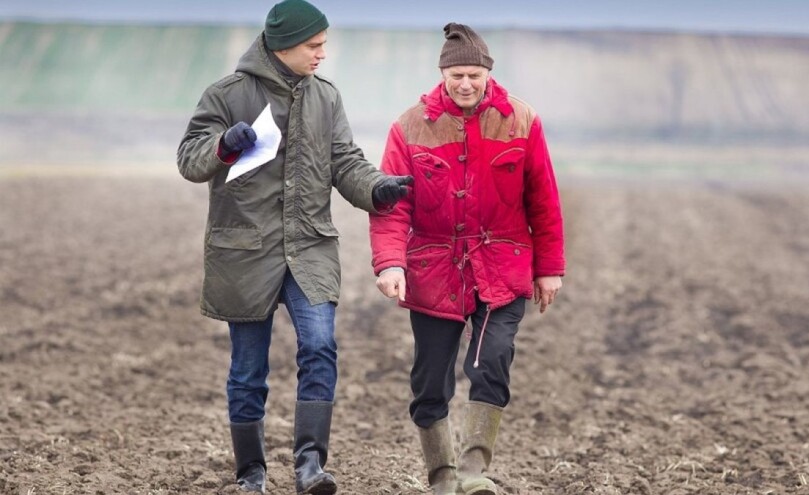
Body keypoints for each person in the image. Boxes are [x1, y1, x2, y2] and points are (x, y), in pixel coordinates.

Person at [177, 1, 412, 493]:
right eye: (314, 45)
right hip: (245, 253)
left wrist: (375, 189)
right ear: (283, 46)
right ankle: (251, 474)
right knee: (248, 368)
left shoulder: (326, 98)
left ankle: (310, 466)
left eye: (324, 44)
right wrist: (224, 144)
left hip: (309, 249)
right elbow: (189, 160)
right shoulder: (226, 94)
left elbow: (345, 161)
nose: (323, 53)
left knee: (321, 347)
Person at [369, 22, 565, 495]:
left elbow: (543, 198)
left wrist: (550, 268)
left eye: (474, 75)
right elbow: (392, 206)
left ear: (486, 75)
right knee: (430, 380)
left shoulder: (521, 120)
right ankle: (442, 475)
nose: (465, 84)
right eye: (457, 75)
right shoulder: (410, 126)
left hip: (503, 263)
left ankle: (475, 469)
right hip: (435, 270)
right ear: (443, 75)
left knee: (492, 358)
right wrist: (390, 263)